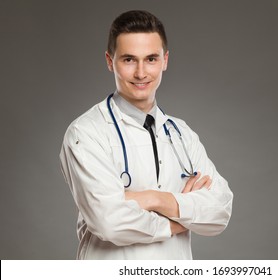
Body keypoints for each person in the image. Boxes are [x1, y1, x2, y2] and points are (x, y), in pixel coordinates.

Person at [59, 10, 233, 260]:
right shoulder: (86, 133)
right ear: (110, 61)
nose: (141, 73)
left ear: (165, 60)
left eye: (151, 59)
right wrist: (178, 221)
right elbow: (109, 220)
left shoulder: (181, 134)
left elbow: (220, 210)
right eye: (129, 60)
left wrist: (153, 199)